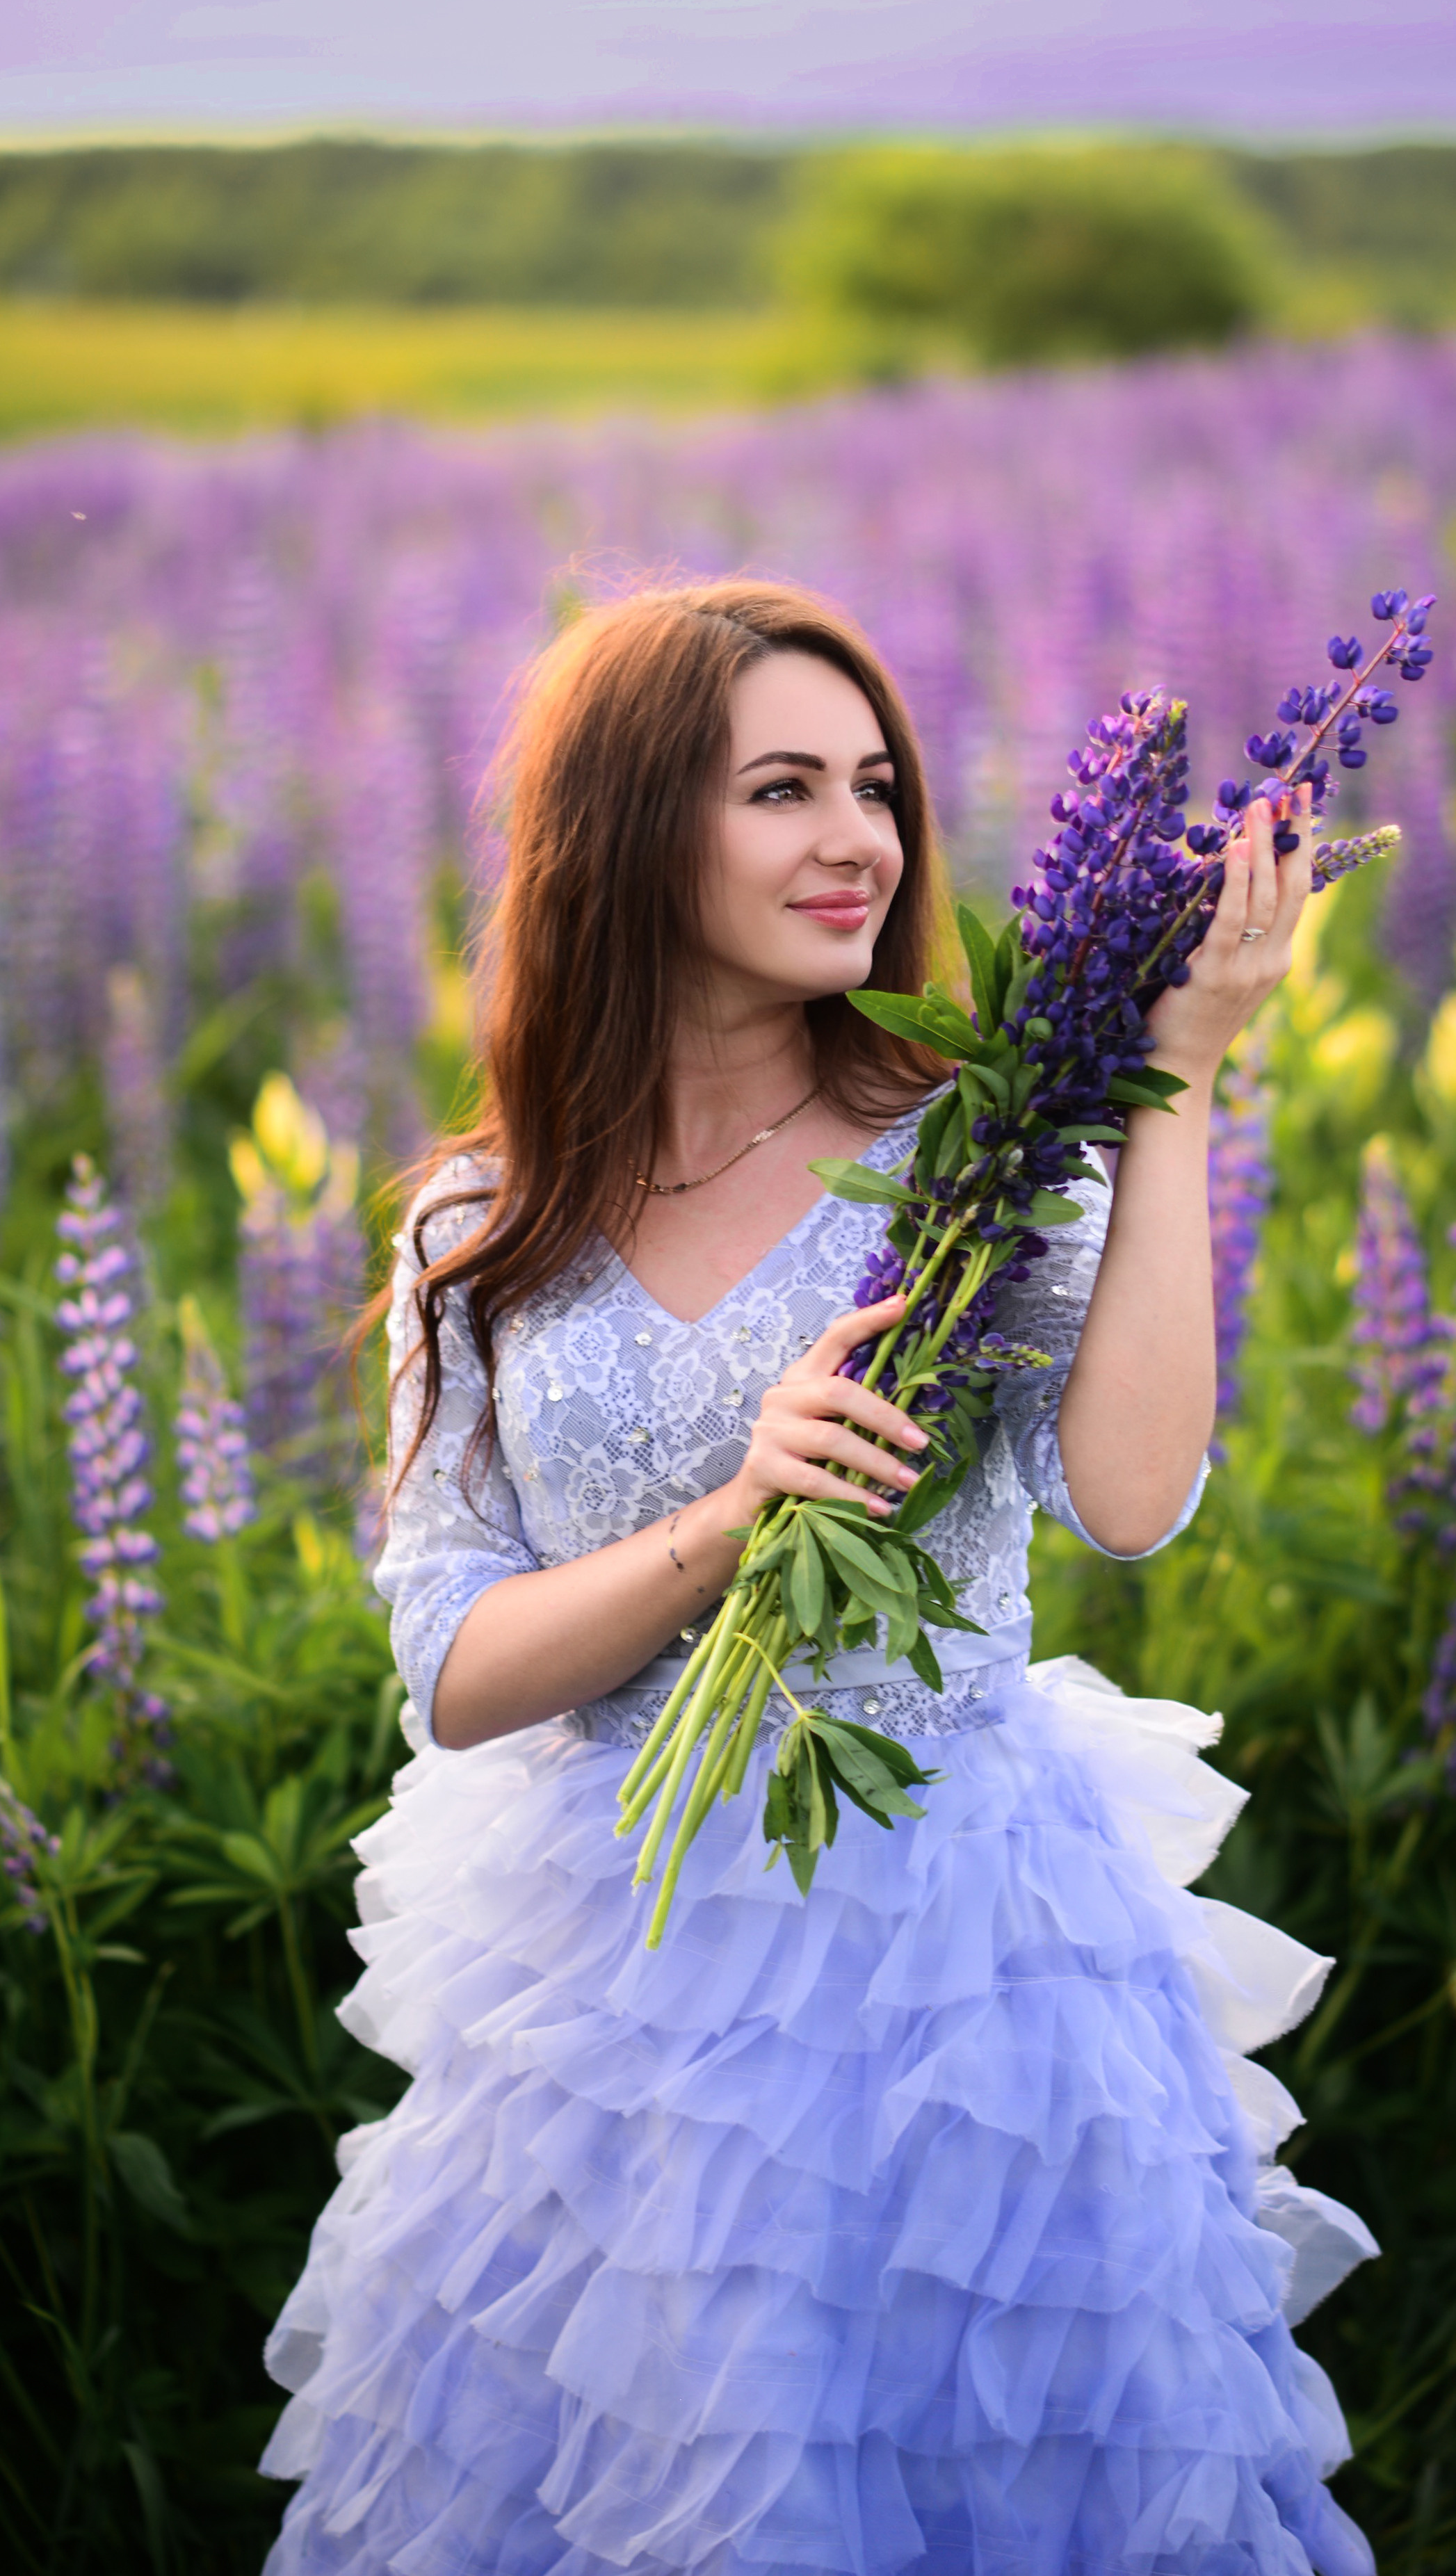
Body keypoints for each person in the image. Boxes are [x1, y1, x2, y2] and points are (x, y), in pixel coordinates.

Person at [260, 579, 1377, 2575]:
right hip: (607, 1970)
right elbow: (454, 1663)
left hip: (958, 1960)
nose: (858, 835)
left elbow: (1130, 1499)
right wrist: (729, 1514)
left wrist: (1182, 1069)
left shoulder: (977, 1148)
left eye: (875, 784)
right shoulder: (480, 1215)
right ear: (624, 831)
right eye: (781, 788)